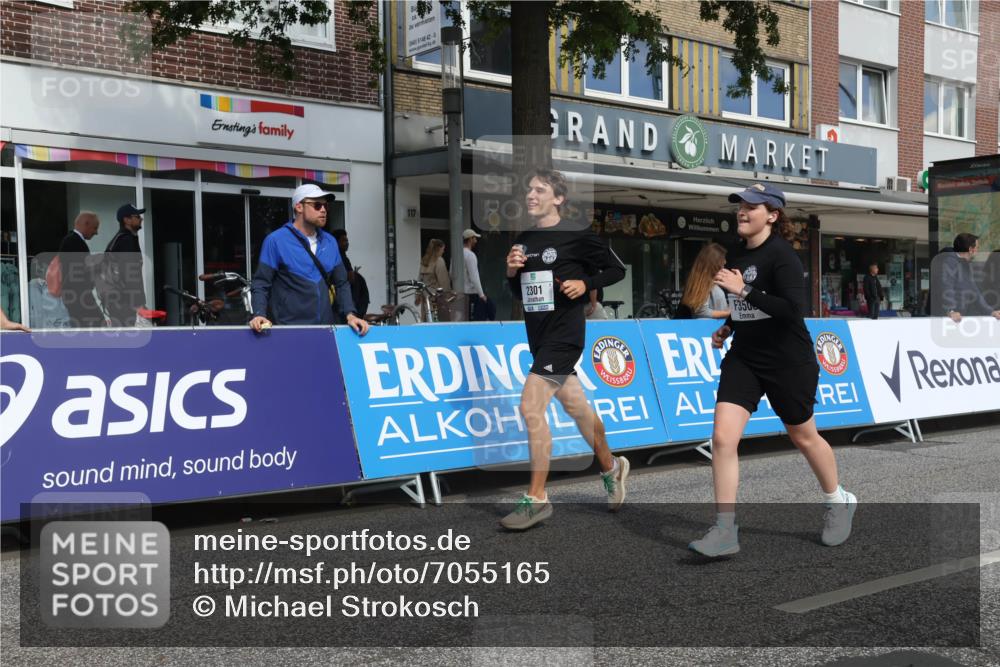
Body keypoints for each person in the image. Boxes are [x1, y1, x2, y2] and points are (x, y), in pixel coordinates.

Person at [690, 182, 857, 557]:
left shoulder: (783, 255)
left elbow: (790, 311)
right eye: (740, 206)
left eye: (752, 206)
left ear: (773, 214)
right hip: (745, 357)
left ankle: (837, 500)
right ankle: (725, 529)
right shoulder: (735, 253)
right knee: (722, 438)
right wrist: (729, 326)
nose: (742, 212)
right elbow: (747, 308)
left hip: (787, 359)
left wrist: (744, 292)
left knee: (803, 436)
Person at [501, 168, 629, 530]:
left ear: (558, 198)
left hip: (565, 335)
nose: (531, 195)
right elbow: (522, 295)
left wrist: (584, 282)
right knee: (578, 409)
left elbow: (615, 269)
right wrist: (511, 274)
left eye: (540, 190)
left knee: (530, 406)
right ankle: (611, 466)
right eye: (529, 189)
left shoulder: (578, 235)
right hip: (539, 337)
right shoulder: (523, 239)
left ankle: (537, 498)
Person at [249, 184, 369, 336]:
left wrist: (350, 314)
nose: (323, 210)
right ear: (299, 207)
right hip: (288, 330)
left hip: (325, 329)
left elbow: (342, 283)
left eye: (325, 205)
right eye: (317, 205)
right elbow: (261, 283)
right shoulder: (276, 241)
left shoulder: (330, 242)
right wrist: (259, 314)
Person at [102, 204, 148, 327]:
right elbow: (130, 275)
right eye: (137, 216)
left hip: (118, 303)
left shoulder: (121, 240)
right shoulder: (126, 241)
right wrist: (138, 304)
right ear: (126, 220)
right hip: (124, 304)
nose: (141, 219)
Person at [936, 233, 1000, 322]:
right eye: (977, 248)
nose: (978, 250)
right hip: (948, 319)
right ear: (970, 249)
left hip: (959, 318)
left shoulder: (965, 265)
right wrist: (950, 310)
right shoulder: (949, 262)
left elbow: (975, 292)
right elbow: (946, 287)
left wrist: (991, 312)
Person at [57, 211, 104, 328]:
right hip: (78, 295)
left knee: (90, 325)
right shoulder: (73, 241)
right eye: (95, 228)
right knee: (96, 325)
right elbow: (79, 269)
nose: (96, 232)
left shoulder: (73, 240)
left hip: (77, 294)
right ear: (86, 224)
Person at [680, 242, 730, 319]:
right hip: (710, 328)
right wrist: (728, 313)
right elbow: (701, 311)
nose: (725, 261)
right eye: (722, 258)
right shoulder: (703, 283)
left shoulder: (712, 282)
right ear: (714, 262)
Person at [331, 229, 370, 319]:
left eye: (347, 240)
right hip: (347, 302)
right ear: (336, 242)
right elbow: (350, 279)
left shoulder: (342, 257)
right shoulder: (340, 258)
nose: (347, 243)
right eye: (344, 240)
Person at [418, 238, 451, 321]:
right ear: (439, 249)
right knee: (437, 322)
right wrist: (448, 295)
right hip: (436, 298)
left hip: (425, 297)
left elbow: (419, 280)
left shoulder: (425, 260)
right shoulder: (439, 261)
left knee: (426, 321)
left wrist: (417, 295)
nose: (443, 252)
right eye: (443, 249)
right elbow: (443, 281)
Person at [462, 228, 488, 320]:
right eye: (474, 238)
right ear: (470, 239)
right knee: (473, 319)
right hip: (471, 294)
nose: (476, 241)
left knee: (463, 319)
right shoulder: (470, 255)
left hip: (459, 294)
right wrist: (481, 295)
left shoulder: (456, 255)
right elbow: (474, 277)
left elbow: (451, 274)